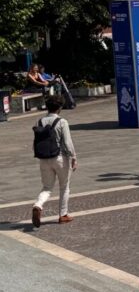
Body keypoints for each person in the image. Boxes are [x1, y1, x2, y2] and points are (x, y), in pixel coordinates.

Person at [30, 95, 77, 227]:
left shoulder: (39, 122)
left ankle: (38, 205)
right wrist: (73, 157)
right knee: (64, 187)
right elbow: (67, 143)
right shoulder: (62, 122)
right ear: (60, 108)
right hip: (60, 158)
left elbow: (35, 142)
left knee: (47, 187)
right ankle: (63, 215)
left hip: (44, 159)